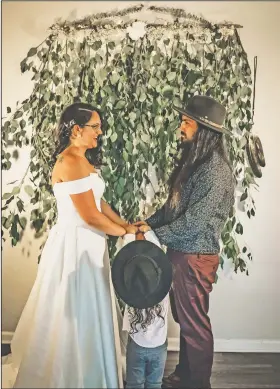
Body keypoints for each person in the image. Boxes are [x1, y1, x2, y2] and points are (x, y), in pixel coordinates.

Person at [11, 102, 137, 388]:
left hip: (90, 243)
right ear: (76, 130)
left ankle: (93, 370)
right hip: (75, 246)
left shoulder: (83, 160)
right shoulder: (69, 161)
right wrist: (124, 234)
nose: (100, 132)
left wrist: (126, 225)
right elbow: (90, 216)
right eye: (95, 126)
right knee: (74, 310)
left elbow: (99, 202)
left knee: (91, 307)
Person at [134, 95, 236, 389]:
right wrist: (148, 223)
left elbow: (195, 222)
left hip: (195, 257)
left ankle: (199, 383)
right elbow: (172, 209)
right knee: (185, 318)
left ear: (203, 129)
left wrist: (154, 235)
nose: (180, 126)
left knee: (195, 324)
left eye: (186, 122)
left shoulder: (216, 171)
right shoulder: (195, 162)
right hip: (182, 253)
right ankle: (185, 374)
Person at [121, 228, 169, 389]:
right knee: (155, 384)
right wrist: (146, 230)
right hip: (159, 347)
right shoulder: (164, 289)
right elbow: (157, 250)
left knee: (134, 384)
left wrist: (131, 232)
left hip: (137, 346)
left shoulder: (128, 291)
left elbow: (127, 252)